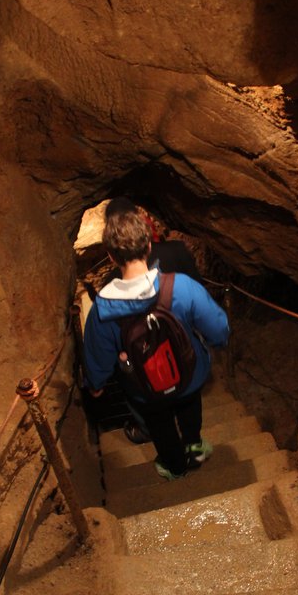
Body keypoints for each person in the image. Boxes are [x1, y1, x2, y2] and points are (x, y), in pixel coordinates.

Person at [83, 209, 229, 481]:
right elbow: (218, 327)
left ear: (112, 256)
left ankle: (175, 466)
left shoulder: (102, 310)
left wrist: (96, 385)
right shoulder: (182, 287)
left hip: (144, 388)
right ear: (149, 247)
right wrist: (217, 342)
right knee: (189, 406)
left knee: (159, 423)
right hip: (189, 374)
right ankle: (195, 449)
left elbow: (97, 356)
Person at [102, 197, 203, 444]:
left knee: (145, 392)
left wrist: (102, 374)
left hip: (144, 356)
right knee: (188, 393)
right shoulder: (177, 251)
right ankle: (192, 443)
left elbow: (110, 335)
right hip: (183, 345)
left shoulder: (110, 283)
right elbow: (198, 293)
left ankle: (155, 437)